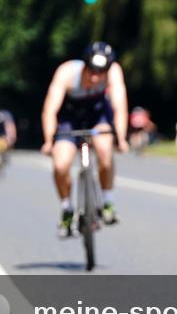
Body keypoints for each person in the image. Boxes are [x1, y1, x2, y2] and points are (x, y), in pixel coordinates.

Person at [40, 42, 129, 237]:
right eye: (92, 72)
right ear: (84, 66)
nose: (96, 77)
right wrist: (48, 140)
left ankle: (107, 202)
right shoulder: (66, 72)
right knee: (61, 165)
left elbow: (120, 106)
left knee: (105, 152)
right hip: (69, 117)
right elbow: (50, 109)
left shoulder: (113, 71)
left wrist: (121, 138)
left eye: (101, 73)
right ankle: (66, 208)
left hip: (98, 115)